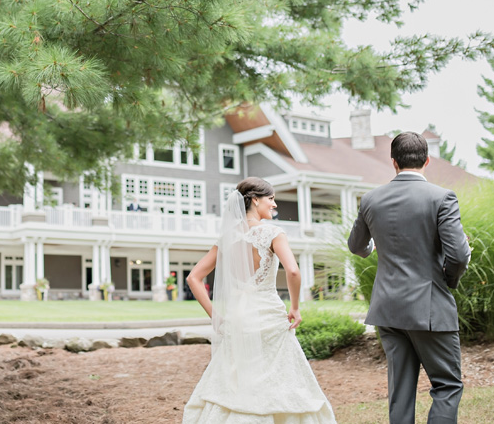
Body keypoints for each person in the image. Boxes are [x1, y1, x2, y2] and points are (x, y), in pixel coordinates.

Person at [183, 177, 336, 423]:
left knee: (237, 379)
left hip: (237, 317)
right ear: (255, 200)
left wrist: (216, 316)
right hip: (268, 315)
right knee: (283, 377)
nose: (275, 205)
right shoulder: (273, 232)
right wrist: (295, 308)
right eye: (271, 198)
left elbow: (193, 278)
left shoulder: (227, 238)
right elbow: (294, 272)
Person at [348, 131, 471, 424]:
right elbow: (459, 255)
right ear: (427, 160)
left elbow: (356, 246)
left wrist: (372, 247)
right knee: (447, 384)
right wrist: (448, 281)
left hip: (388, 309)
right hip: (429, 307)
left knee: (400, 392)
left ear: (394, 162)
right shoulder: (442, 197)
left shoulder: (370, 199)